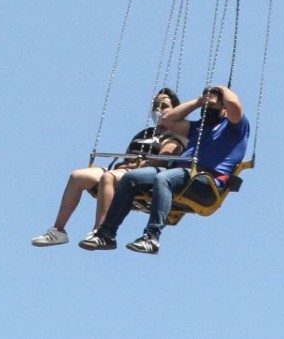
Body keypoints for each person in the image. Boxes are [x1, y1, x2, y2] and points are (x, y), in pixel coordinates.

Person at [80, 84, 250, 255]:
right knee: (131, 178)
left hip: (206, 181)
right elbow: (167, 120)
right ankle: (106, 234)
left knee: (164, 179)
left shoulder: (235, 127)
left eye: (212, 105)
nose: (208, 108)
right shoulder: (198, 127)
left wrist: (220, 90)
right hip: (182, 174)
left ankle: (151, 237)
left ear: (224, 109)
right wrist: (199, 100)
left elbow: (234, 104)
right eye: (206, 106)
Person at [31, 89, 187, 247]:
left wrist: (135, 166)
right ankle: (58, 230)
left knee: (108, 178)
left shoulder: (175, 135)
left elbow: (162, 162)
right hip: (121, 168)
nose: (158, 110)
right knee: (77, 176)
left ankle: (100, 231)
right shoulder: (145, 133)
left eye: (163, 105)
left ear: (175, 110)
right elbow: (129, 154)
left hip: (139, 173)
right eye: (155, 106)